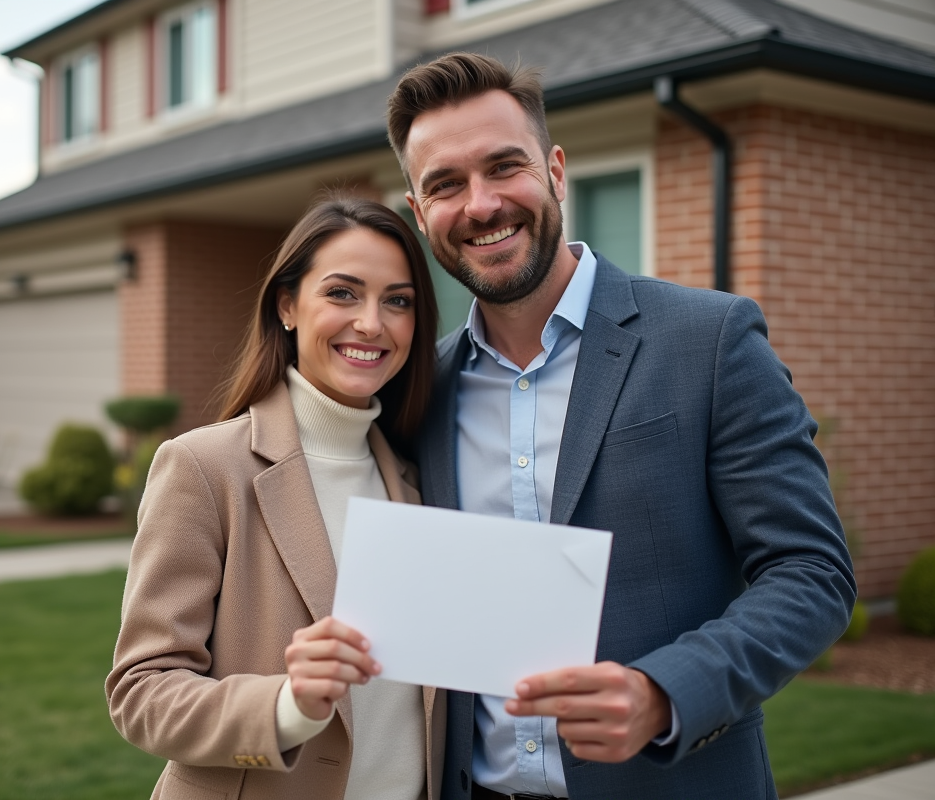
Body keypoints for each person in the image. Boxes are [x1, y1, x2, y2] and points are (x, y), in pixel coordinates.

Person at [385, 53, 856, 800]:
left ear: (556, 172)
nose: (480, 205)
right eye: (445, 184)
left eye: (504, 167)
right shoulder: (419, 389)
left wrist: (662, 693)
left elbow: (811, 573)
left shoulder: (710, 340)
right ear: (419, 212)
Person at [105, 196, 445, 800]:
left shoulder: (420, 483)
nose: (372, 322)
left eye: (398, 300)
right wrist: (287, 704)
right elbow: (142, 690)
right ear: (287, 305)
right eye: (342, 293)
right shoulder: (204, 468)